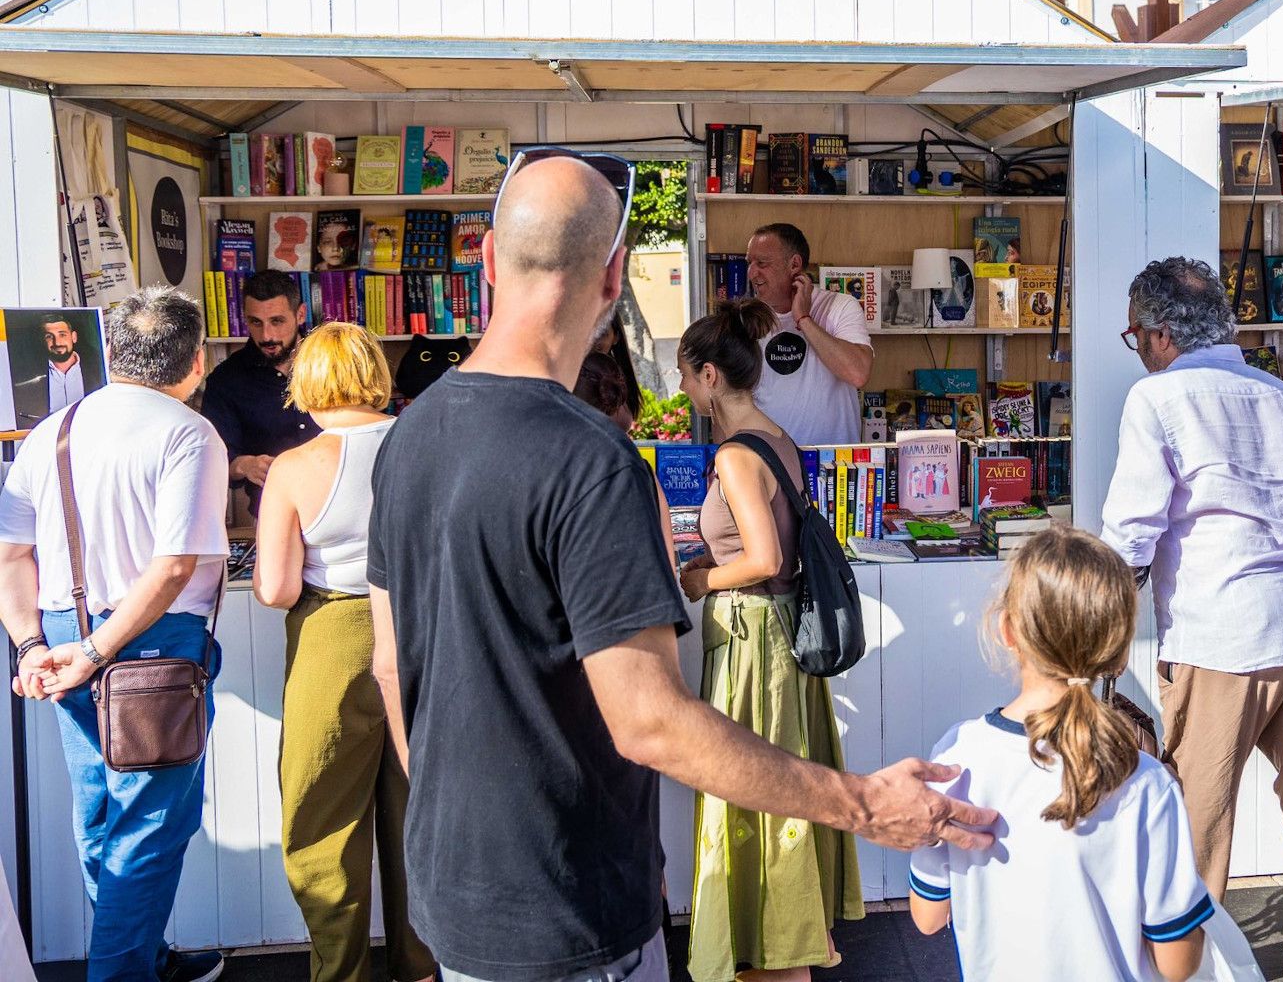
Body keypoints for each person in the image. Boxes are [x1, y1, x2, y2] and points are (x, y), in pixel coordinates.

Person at [365, 153, 994, 982]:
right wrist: (866, 803)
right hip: (571, 905)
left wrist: (459, 825)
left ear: (484, 259)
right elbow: (649, 721)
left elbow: (389, 665)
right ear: (612, 275)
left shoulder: (406, 437)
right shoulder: (594, 462)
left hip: (455, 893)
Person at [1101, 256, 1283, 982]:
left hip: (1217, 632)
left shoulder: (1156, 398)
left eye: (1136, 338)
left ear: (1156, 334)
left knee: (1196, 826)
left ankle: (1185, 973)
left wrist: (1092, 619)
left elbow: (1130, 531)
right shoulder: (1280, 394)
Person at [911, 526, 1265, 982]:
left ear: (1007, 630)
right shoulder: (1145, 780)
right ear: (1117, 657)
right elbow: (1177, 964)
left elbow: (928, 917)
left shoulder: (957, 757)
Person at [0, 286, 230, 982]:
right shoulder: (188, 432)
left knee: (102, 815)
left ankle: (139, 955)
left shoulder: (54, 430)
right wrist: (96, 650)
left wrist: (33, 646)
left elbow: (12, 555)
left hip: (64, 635)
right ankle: (122, 971)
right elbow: (170, 570)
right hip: (150, 644)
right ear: (195, 362)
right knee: (150, 830)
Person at [675, 298, 862, 982]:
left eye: (686, 376)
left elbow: (762, 560)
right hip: (779, 633)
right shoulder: (776, 437)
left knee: (748, 786)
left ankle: (768, 948)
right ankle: (778, 938)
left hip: (752, 639)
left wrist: (701, 583)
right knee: (780, 787)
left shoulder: (732, 454)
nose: (684, 391)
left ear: (710, 377)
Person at [251, 322, 436, 982]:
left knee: (324, 823)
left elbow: (275, 587)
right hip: (419, 633)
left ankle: (343, 971)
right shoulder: (424, 446)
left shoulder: (297, 466)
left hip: (332, 642)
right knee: (419, 810)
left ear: (307, 380)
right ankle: (422, 966)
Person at [201, 269, 320, 513]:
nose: (267, 336)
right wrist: (245, 465)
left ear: (300, 314)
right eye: (256, 322)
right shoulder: (226, 380)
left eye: (277, 321)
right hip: (271, 515)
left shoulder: (331, 362)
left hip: (342, 510)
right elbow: (215, 462)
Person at [745, 223, 872, 446]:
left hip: (833, 467)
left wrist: (803, 319)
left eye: (762, 263)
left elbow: (857, 373)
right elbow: (724, 396)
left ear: (794, 264)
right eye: (750, 263)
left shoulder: (840, 306)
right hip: (770, 465)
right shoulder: (745, 319)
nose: (752, 273)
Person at [12, 312, 94, 426]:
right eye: (49, 336)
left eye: (62, 334)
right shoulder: (26, 381)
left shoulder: (97, 372)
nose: (57, 342)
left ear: (73, 337)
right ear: (42, 340)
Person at [574, 312, 642, 435]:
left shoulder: (620, 375)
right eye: (587, 332)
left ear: (616, 337)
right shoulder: (568, 376)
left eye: (601, 334)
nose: (593, 340)